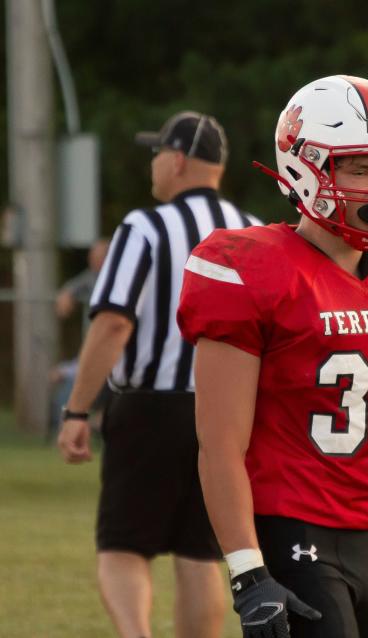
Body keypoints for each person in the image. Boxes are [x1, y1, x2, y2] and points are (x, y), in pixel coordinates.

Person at [177, 76, 368, 638]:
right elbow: (219, 445)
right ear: (306, 169)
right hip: (292, 529)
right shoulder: (247, 269)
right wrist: (247, 574)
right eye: (358, 168)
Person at [56, 111, 260, 638]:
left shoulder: (144, 226)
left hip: (150, 404)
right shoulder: (258, 233)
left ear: (178, 160)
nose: (153, 165)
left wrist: (78, 409)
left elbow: (114, 323)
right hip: (232, 414)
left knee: (124, 544)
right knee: (200, 551)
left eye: (156, 155)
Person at [49, 238, 111, 438]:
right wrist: (66, 294)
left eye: (98, 258)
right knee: (63, 382)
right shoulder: (92, 278)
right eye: (92, 258)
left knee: (71, 387)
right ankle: (74, 428)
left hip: (111, 352)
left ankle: (83, 425)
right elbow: (70, 289)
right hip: (91, 352)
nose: (94, 262)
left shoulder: (118, 278)